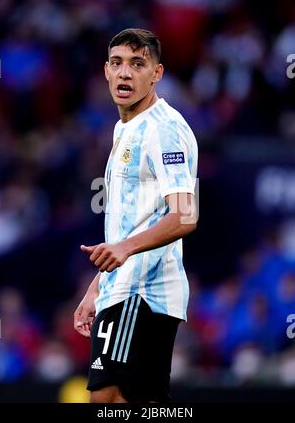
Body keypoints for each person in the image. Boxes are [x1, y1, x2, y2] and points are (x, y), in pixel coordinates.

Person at [74, 28, 198, 403]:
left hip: (143, 292)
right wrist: (98, 286)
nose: (125, 73)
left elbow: (185, 216)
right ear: (106, 72)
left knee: (109, 399)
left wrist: (125, 251)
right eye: (117, 64)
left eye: (137, 64)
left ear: (157, 73)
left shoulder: (163, 130)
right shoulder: (125, 127)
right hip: (122, 289)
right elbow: (134, 220)